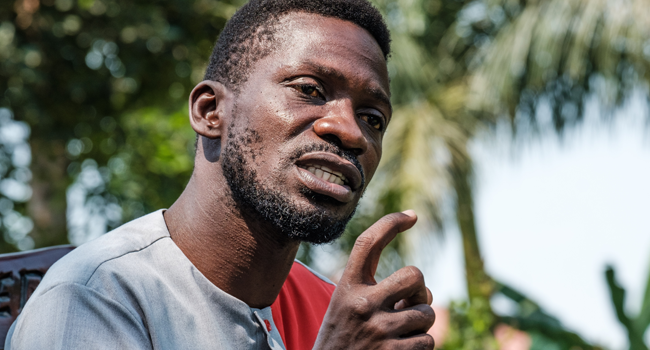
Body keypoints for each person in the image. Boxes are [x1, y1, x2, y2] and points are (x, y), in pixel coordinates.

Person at [5, 0, 436, 349]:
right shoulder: (96, 297)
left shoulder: (332, 310)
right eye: (309, 90)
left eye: (373, 118)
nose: (351, 131)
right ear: (211, 111)